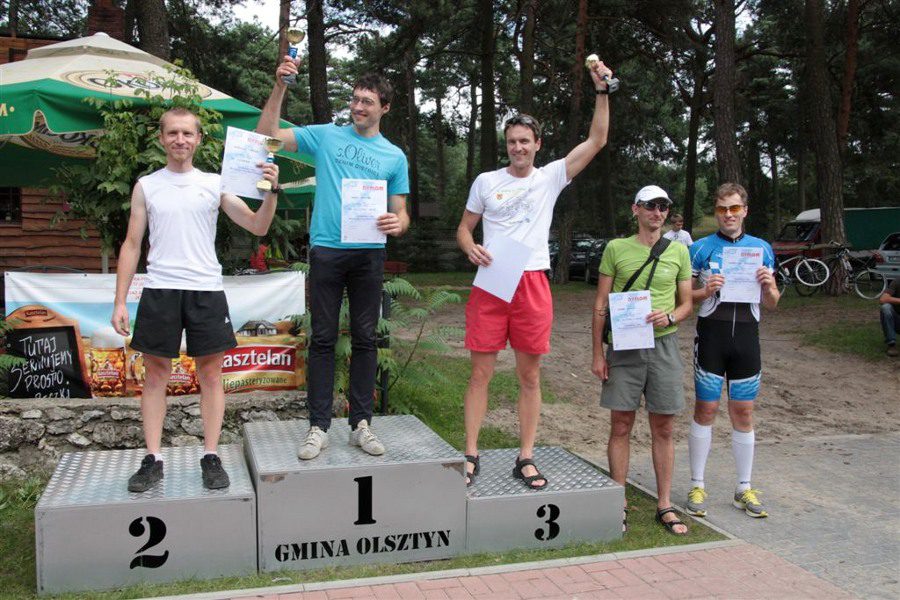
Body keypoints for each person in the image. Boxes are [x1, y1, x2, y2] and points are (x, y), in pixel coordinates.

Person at [457, 59, 613, 490]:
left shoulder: (550, 178)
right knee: (480, 374)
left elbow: (597, 140)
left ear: (537, 144)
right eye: (512, 141)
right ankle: (470, 453)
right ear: (505, 144)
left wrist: (601, 91)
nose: (518, 148)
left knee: (529, 375)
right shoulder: (486, 181)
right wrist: (469, 246)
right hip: (490, 284)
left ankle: (525, 456)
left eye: (525, 141)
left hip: (532, 282)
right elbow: (465, 228)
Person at [112, 107, 281, 492]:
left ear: (199, 139)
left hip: (206, 290)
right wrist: (120, 301)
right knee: (155, 375)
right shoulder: (147, 185)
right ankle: (153, 459)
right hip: (160, 289)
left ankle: (211, 455)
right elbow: (132, 244)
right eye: (172, 133)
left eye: (187, 133)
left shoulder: (214, 183)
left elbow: (258, 224)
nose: (180, 140)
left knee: (210, 375)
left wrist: (271, 192)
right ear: (162, 138)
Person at [257, 55, 410, 460]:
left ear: (385, 108)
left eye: (368, 102)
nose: (359, 107)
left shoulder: (394, 156)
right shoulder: (327, 135)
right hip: (326, 249)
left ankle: (361, 424)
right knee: (322, 339)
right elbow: (267, 134)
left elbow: (401, 210)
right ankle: (317, 427)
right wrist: (280, 86)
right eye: (356, 99)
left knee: (366, 339)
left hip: (369, 254)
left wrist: (399, 222)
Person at [591, 184, 693, 535]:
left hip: (663, 346)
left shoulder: (679, 251)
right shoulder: (616, 248)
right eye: (650, 206)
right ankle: (616, 497)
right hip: (624, 347)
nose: (657, 212)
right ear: (635, 209)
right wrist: (597, 353)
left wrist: (671, 317)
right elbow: (601, 304)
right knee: (620, 424)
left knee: (664, 427)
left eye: (663, 206)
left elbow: (686, 304)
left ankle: (664, 503)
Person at [684, 182, 779, 519]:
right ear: (716, 211)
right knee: (706, 410)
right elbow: (686, 299)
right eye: (723, 209)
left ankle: (743, 487)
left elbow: (772, 302)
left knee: (743, 413)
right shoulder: (700, 249)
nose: (728, 215)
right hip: (712, 337)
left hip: (747, 340)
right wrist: (704, 290)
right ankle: (697, 484)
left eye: (734, 208)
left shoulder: (763, 249)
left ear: (745, 211)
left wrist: (769, 286)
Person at [880, 279, 900, 357]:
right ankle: (891, 344)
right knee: (886, 307)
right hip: (897, 321)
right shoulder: (897, 282)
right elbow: (883, 299)